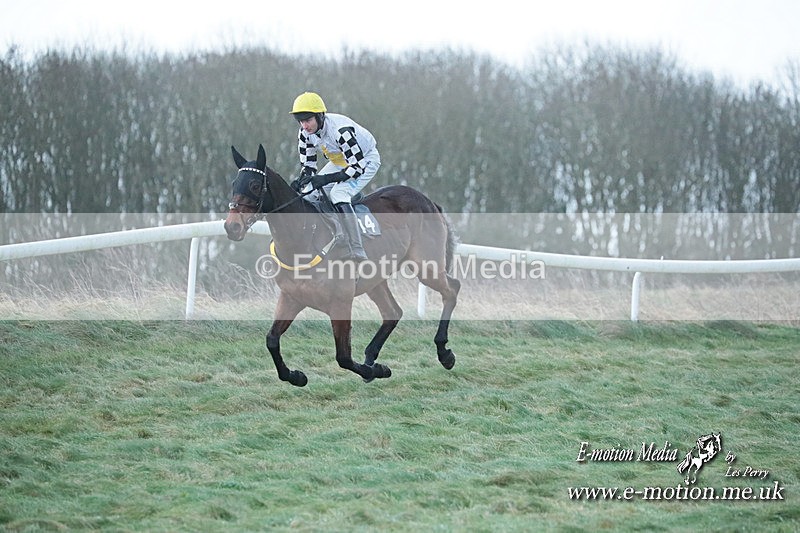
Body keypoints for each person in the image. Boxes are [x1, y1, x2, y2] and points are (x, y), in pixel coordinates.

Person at [290, 92, 380, 262]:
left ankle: (357, 248)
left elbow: (356, 168)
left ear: (320, 116)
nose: (304, 126)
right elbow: (308, 166)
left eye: (308, 120)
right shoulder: (304, 133)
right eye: (300, 121)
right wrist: (301, 181)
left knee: (338, 194)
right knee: (308, 193)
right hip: (340, 161)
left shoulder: (341, 132)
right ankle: (330, 234)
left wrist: (325, 179)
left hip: (365, 161)